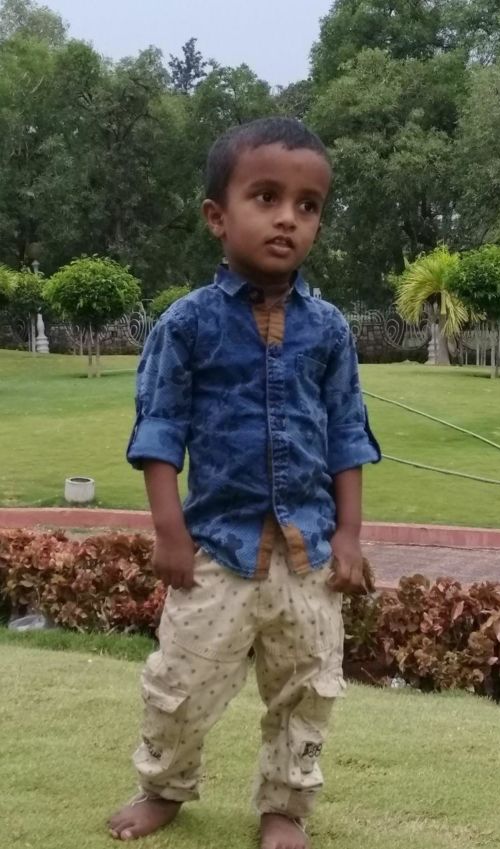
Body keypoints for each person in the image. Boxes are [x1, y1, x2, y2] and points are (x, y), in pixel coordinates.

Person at [108, 117, 381, 849]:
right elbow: (159, 431)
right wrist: (169, 532)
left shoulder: (329, 330)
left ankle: (284, 807)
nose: (288, 217)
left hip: (308, 556)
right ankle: (163, 787)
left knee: (308, 691)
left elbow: (348, 435)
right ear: (217, 216)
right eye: (266, 197)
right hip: (217, 550)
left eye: (308, 205)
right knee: (180, 686)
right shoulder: (187, 325)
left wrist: (350, 536)